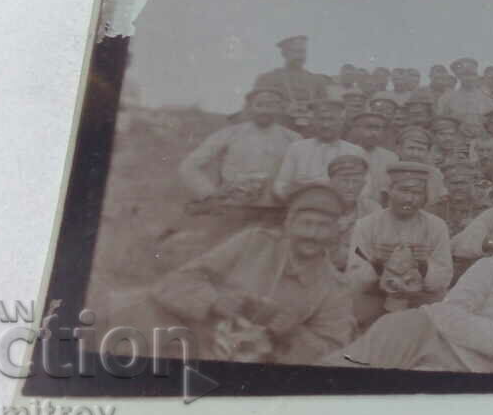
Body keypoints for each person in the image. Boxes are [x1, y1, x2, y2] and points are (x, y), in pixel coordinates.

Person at [337, 209, 493, 375]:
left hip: (472, 367)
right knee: (343, 373)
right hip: (425, 330)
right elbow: (449, 314)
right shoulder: (491, 268)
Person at [144, 183, 355, 365]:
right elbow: (174, 282)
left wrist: (295, 333)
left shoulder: (335, 288)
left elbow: (332, 353)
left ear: (336, 232)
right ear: (288, 224)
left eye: (323, 226)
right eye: (306, 224)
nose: (312, 235)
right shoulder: (253, 242)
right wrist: (213, 301)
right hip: (199, 346)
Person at [346, 162, 454, 326]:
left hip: (421, 299)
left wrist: (424, 266)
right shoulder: (366, 225)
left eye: (417, 193)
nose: (409, 199)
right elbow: (353, 279)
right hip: (375, 298)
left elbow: (445, 278)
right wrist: (376, 263)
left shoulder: (436, 226)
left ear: (425, 197)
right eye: (403, 190)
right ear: (389, 191)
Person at [178, 88, 301, 208]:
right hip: (233, 205)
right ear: (249, 108)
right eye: (260, 105)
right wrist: (209, 193)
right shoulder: (229, 134)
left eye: (272, 106)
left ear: (281, 109)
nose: (265, 111)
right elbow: (189, 165)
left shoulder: (293, 138)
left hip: (277, 207)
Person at [271, 99, 364, 201]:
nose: (326, 125)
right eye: (321, 119)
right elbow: (281, 183)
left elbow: (364, 189)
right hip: (302, 207)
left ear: (341, 122)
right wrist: (291, 196)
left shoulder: (355, 151)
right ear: (313, 122)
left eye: (331, 119)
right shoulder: (296, 148)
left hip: (340, 209)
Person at [327, 155, 383, 272]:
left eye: (356, 181)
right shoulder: (318, 207)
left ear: (363, 184)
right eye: (344, 181)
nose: (350, 187)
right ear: (331, 182)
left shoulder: (373, 209)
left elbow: (378, 250)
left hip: (359, 273)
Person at [251, 35, 328, 105]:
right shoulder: (267, 79)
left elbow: (325, 107)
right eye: (295, 51)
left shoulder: (317, 81)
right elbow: (255, 106)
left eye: (303, 52)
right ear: (284, 53)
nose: (300, 56)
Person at [343, 111, 398, 205]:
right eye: (368, 128)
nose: (373, 133)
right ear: (357, 129)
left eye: (377, 129)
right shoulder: (345, 153)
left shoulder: (391, 157)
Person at [436, 57, 493, 134]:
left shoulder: (487, 97)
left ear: (477, 76)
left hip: (481, 138)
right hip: (455, 139)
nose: (469, 79)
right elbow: (440, 121)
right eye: (465, 75)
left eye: (473, 75)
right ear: (458, 76)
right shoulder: (446, 98)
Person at [426, 162, 488, 238]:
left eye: (463, 183)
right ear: (445, 183)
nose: (459, 188)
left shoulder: (483, 209)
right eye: (454, 183)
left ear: (472, 183)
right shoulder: (434, 208)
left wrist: (476, 227)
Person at [393, 126, 447, 205]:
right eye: (411, 148)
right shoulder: (388, 172)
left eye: (421, 150)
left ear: (428, 152)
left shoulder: (435, 174)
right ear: (398, 149)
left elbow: (439, 202)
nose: (415, 154)